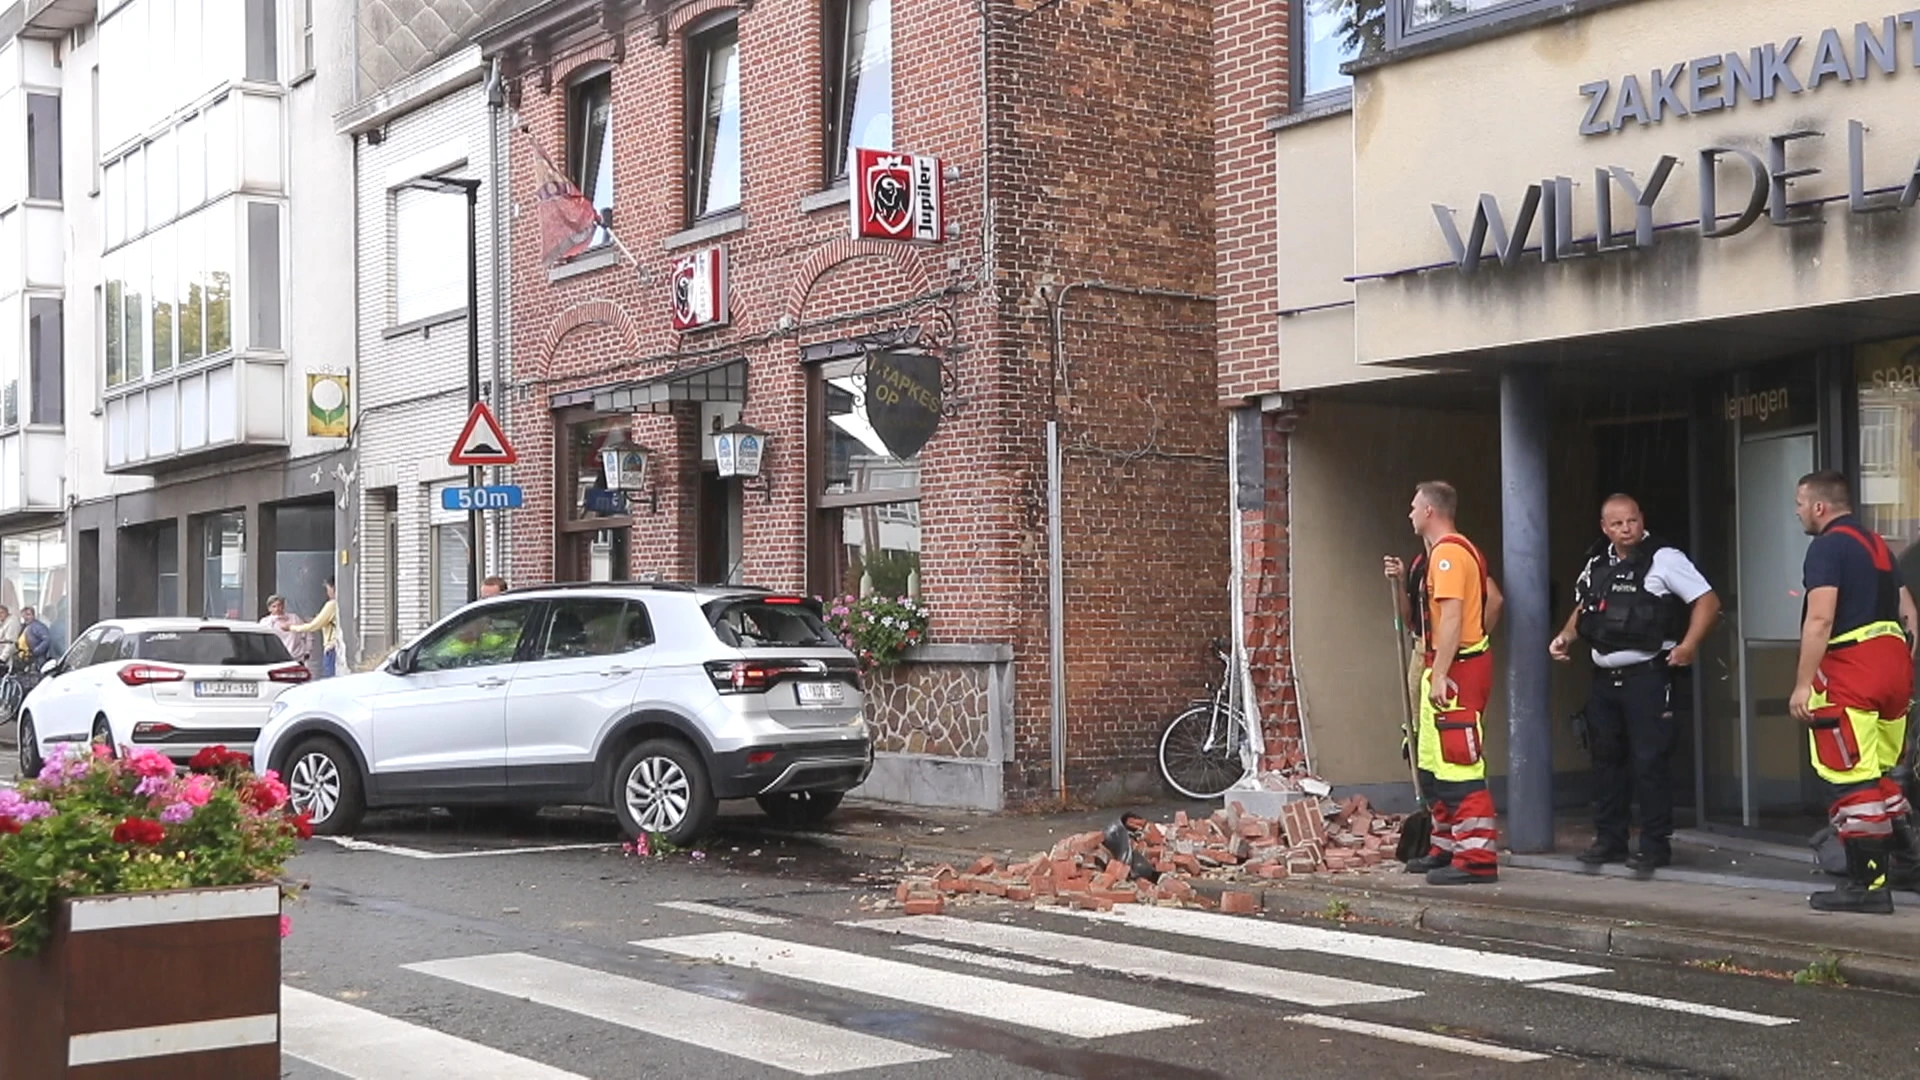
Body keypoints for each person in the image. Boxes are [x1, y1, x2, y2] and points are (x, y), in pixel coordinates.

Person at [1550, 495, 1721, 874]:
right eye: (1618, 524)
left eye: (1632, 521)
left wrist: (1689, 646)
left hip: (1647, 675)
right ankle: (1609, 839)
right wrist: (1565, 637)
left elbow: (1707, 601)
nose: (1627, 529)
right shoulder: (1597, 561)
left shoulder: (1665, 558)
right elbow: (1586, 605)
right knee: (1606, 760)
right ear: (1604, 527)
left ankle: (1654, 845)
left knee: (1649, 762)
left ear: (1642, 519)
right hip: (1603, 680)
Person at [1789, 471, 1920, 914]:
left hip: (1852, 668)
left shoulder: (1826, 547)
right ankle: (1909, 863)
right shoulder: (1879, 545)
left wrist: (1804, 683)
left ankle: (1868, 886)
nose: (1798, 512)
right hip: (1894, 665)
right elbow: (1910, 615)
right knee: (1882, 774)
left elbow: (1820, 619)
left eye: (1800, 504)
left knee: (1850, 778)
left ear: (1819, 507)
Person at [1399, 481, 1505, 885]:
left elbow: (1453, 619)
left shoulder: (1446, 556)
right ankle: (1446, 847)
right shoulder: (1458, 552)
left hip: (1455, 670)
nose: (1409, 513)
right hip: (1449, 665)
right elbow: (1490, 603)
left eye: (1413, 507)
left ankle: (1476, 859)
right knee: (1434, 765)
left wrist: (1442, 672)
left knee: (1460, 765)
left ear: (1429, 511)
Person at [293, 578, 342, 678]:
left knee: (329, 680)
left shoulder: (332, 604)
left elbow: (314, 626)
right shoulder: (343, 602)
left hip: (332, 647)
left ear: (334, 588)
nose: (327, 592)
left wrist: (291, 627)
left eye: (328, 589)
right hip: (338, 647)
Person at [260, 595, 311, 667]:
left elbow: (307, 633)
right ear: (269, 609)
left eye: (279, 605)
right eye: (274, 606)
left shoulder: (294, 618)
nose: (277, 609)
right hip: (276, 660)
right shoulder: (265, 622)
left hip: (296, 658)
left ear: (283, 606)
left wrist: (307, 651)